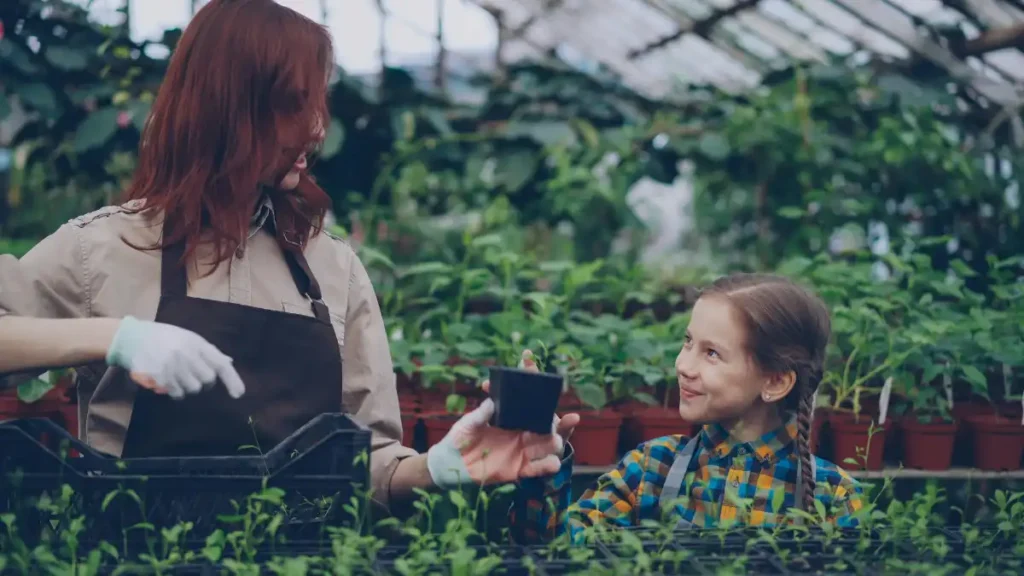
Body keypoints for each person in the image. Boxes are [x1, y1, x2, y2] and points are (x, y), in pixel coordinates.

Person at [0, 0, 573, 515]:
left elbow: (370, 462)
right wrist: (114, 337)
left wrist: (439, 467)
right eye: (294, 107)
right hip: (137, 553)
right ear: (228, 109)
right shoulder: (102, 248)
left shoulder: (333, 271)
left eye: (317, 104)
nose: (317, 129)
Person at [507, 273, 864, 543]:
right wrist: (543, 467)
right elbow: (557, 551)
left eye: (712, 353)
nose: (683, 365)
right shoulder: (651, 468)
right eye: (688, 341)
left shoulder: (834, 497)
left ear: (775, 382)